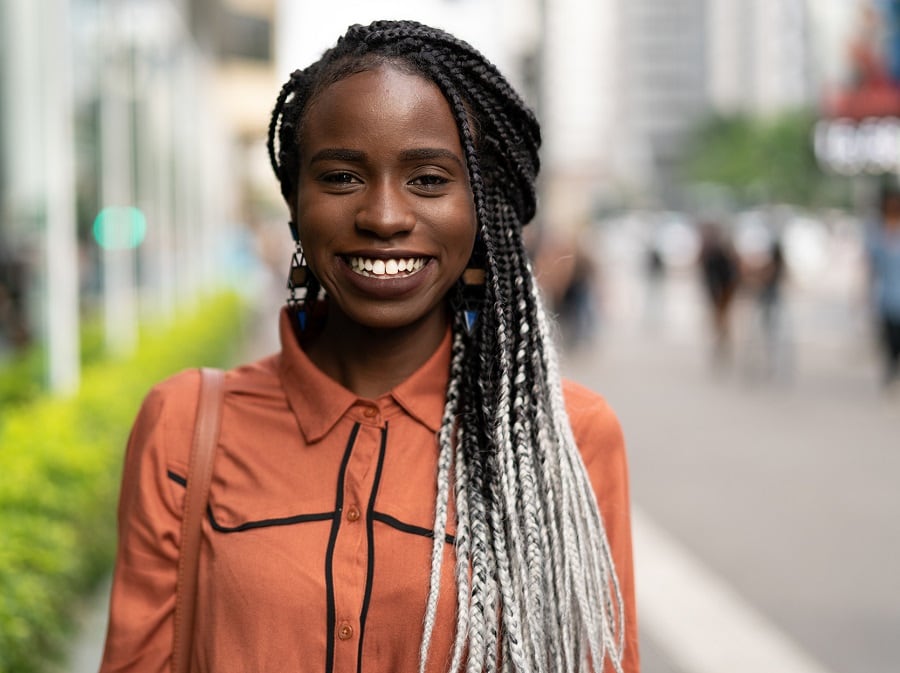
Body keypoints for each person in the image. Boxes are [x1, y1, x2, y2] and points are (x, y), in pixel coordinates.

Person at [99, 19, 639, 673]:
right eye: (342, 177)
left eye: (430, 180)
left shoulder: (565, 438)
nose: (384, 216)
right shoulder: (184, 426)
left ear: (482, 208)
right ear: (295, 204)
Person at [867, 185, 900, 387]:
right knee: (889, 339)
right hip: (886, 296)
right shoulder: (877, 232)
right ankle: (890, 373)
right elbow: (871, 265)